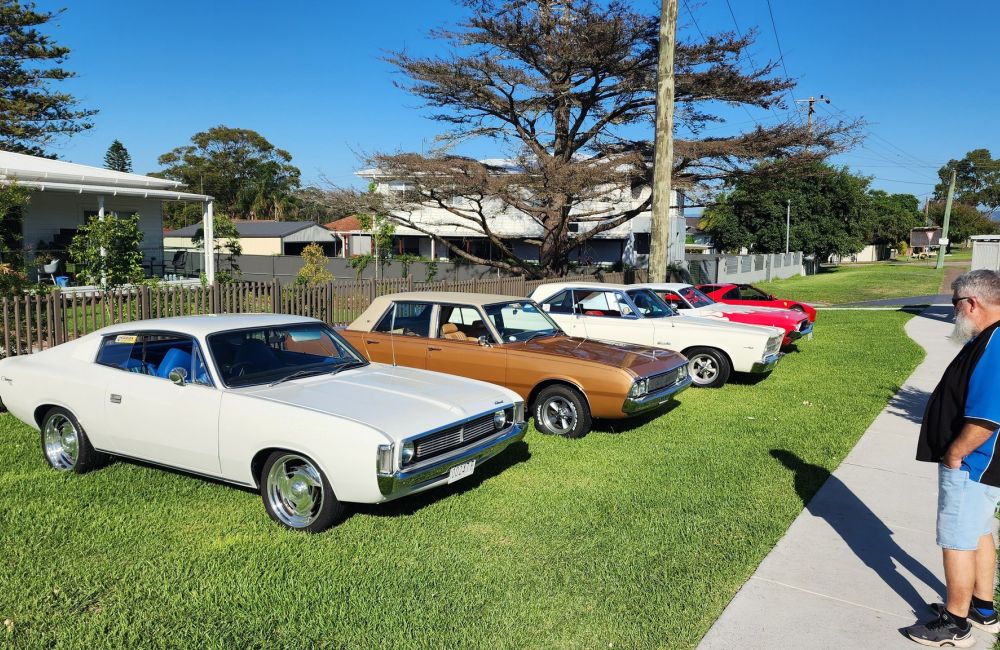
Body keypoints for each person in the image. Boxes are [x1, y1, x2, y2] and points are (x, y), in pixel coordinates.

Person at [906, 269, 1000, 647]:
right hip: (981, 466)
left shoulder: (995, 344)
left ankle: (955, 622)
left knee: (958, 539)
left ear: (972, 303)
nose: (953, 311)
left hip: (972, 463)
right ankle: (982, 609)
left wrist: (954, 455)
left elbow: (987, 417)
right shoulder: (989, 339)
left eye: (955, 303)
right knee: (978, 532)